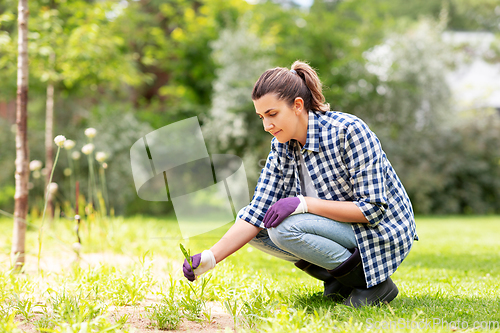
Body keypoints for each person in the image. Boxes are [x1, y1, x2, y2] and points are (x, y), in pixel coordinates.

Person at [183, 61, 418, 308]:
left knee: (283, 228)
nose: (267, 126)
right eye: (262, 117)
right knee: (257, 226)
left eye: (272, 114)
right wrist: (211, 257)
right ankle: (339, 280)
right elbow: (257, 211)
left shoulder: (348, 131)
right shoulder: (282, 146)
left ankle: (373, 285)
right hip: (341, 229)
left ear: (297, 105)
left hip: (381, 231)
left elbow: (372, 209)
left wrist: (304, 204)